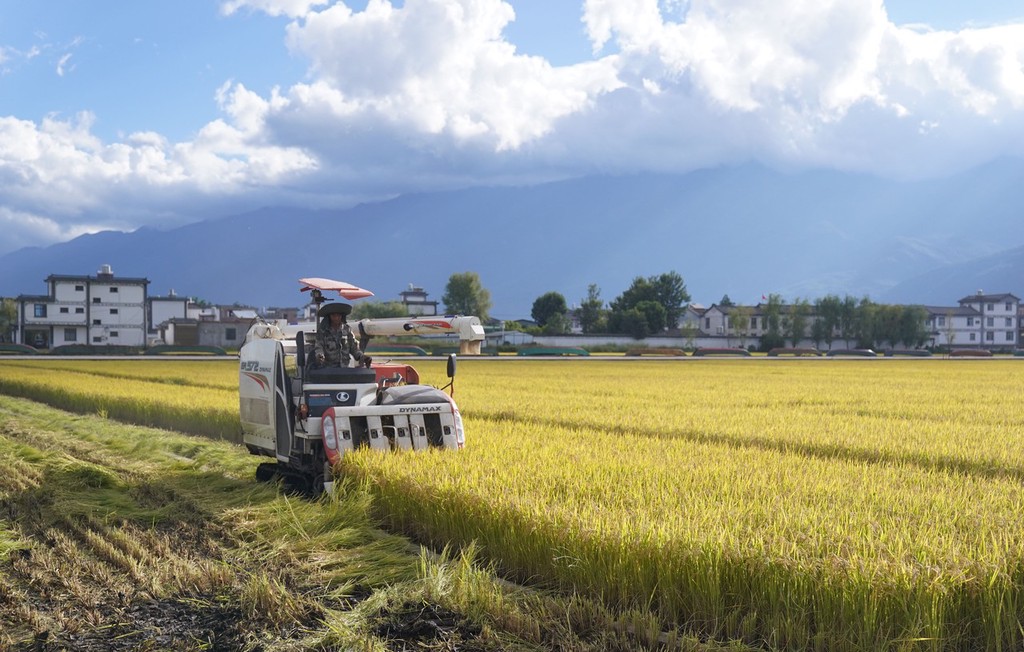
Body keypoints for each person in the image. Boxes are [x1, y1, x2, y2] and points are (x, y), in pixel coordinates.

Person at [313, 303, 370, 368]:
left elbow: (354, 348)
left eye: (338, 315)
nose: (336, 318)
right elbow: (319, 347)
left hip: (345, 368)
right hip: (328, 370)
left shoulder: (347, 330)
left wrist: (362, 357)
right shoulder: (323, 332)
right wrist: (320, 356)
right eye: (333, 315)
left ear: (342, 316)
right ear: (329, 316)